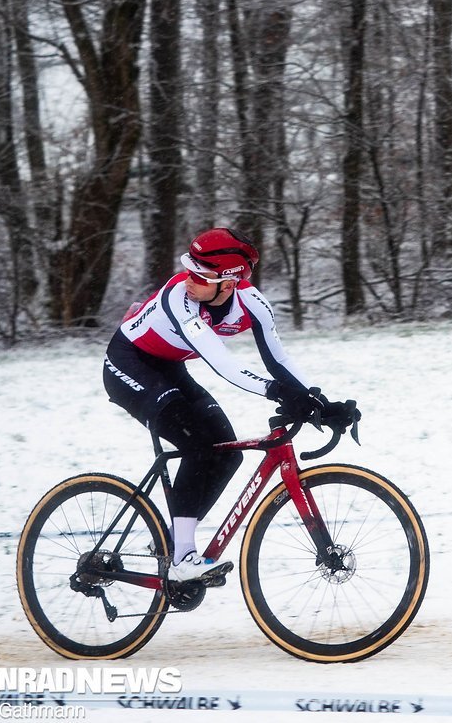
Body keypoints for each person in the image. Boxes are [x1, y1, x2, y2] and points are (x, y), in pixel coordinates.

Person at [102, 227, 359, 582]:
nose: (188, 280)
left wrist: (320, 401)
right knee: (197, 445)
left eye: (201, 276)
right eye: (189, 270)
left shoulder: (252, 303)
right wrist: (277, 392)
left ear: (229, 283)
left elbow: (279, 361)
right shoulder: (179, 298)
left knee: (227, 453)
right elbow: (221, 362)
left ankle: (176, 541)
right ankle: (182, 559)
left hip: (169, 367)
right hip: (128, 363)